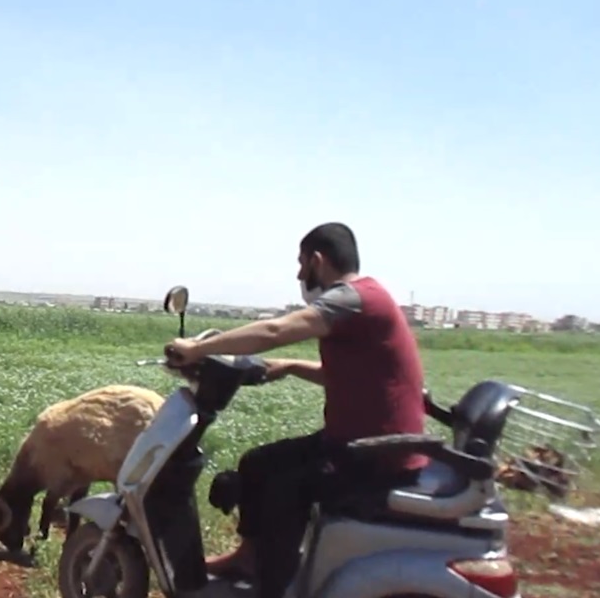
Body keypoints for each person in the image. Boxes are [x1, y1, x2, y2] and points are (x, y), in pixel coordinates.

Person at [164, 222, 429, 598]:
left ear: (317, 261)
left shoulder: (350, 298)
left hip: (375, 453)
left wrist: (197, 349)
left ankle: (275, 586)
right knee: (259, 462)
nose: (299, 274)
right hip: (361, 441)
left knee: (284, 487)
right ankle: (249, 558)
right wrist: (288, 367)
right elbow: (340, 376)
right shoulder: (368, 298)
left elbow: (275, 331)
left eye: (301, 264)